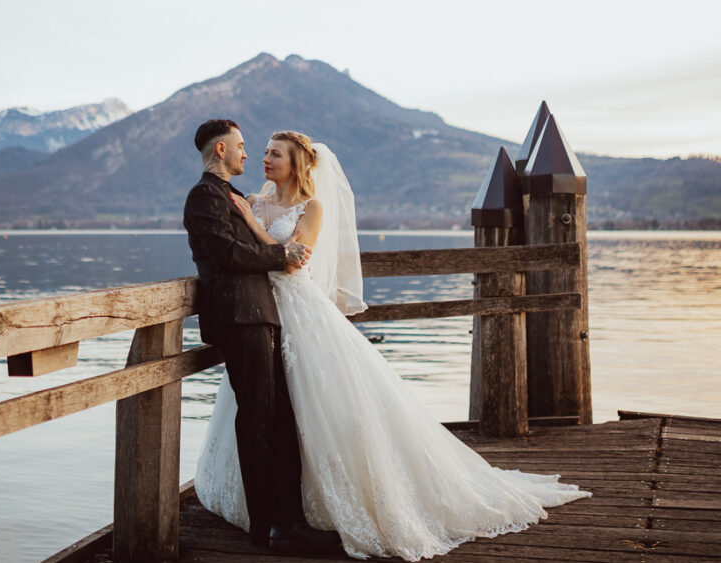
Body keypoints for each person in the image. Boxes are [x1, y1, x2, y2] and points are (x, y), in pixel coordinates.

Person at [194, 130, 592, 561]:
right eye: (265, 152)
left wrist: (254, 226)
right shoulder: (251, 199)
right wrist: (249, 221)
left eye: (275, 154)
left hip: (301, 314)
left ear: (297, 163)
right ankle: (272, 512)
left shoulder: (311, 208)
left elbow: (295, 260)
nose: (265, 159)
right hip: (262, 317)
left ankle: (320, 508)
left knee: (321, 407)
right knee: (268, 412)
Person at [183, 120, 341, 554]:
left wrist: (275, 249)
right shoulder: (205, 196)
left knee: (280, 420)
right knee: (257, 420)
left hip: (262, 313)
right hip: (240, 316)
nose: (249, 155)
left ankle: (288, 522)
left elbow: (248, 251)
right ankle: (267, 528)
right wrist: (280, 254)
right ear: (220, 150)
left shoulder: (233, 197)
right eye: (242, 146)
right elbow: (227, 254)